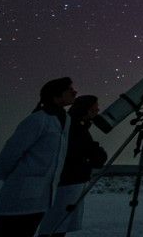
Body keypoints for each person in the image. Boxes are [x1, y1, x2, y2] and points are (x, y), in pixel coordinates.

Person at [0, 77, 77, 237]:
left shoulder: (65, 120)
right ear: (56, 95)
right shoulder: (37, 120)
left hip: (41, 198)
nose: (75, 92)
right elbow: (8, 156)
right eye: (69, 89)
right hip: (20, 196)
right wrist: (15, 180)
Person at [37, 95, 108, 236]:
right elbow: (94, 157)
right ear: (86, 109)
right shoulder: (75, 127)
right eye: (95, 108)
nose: (98, 110)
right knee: (56, 226)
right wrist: (96, 150)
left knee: (58, 225)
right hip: (68, 183)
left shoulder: (73, 124)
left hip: (69, 182)